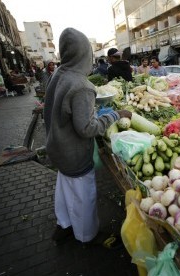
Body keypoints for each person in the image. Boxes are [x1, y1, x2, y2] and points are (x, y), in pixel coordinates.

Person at [44, 27, 132, 246]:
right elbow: (87, 129)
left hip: (57, 147)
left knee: (65, 189)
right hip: (74, 152)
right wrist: (115, 114)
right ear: (85, 54)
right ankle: (86, 234)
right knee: (84, 194)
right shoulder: (81, 85)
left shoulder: (58, 74)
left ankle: (64, 224)